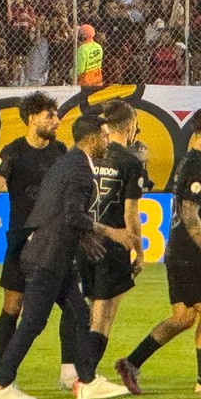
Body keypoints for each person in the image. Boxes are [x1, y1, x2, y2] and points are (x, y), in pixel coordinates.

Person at [0, 114, 138, 399]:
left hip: (52, 253)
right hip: (49, 257)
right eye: (105, 136)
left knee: (79, 313)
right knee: (33, 322)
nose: (108, 141)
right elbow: (72, 214)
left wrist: (86, 238)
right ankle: (1, 384)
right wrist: (109, 233)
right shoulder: (80, 169)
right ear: (92, 138)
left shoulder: (66, 163)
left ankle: (87, 381)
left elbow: (57, 211)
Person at [115, 107, 201, 395]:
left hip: (176, 248)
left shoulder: (189, 162)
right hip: (190, 251)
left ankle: (131, 362)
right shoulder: (199, 165)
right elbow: (189, 211)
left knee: (183, 317)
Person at [0, 92, 70, 384]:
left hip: (56, 240)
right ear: (32, 118)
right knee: (13, 305)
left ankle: (69, 371)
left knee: (72, 304)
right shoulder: (13, 151)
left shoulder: (61, 152)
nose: (57, 121)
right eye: (50, 116)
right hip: (21, 240)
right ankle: (1, 370)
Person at [81, 99, 146, 375]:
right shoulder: (131, 161)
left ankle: (75, 371)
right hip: (112, 246)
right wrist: (138, 250)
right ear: (130, 125)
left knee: (87, 312)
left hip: (83, 242)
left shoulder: (87, 154)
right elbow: (131, 213)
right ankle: (88, 377)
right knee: (103, 317)